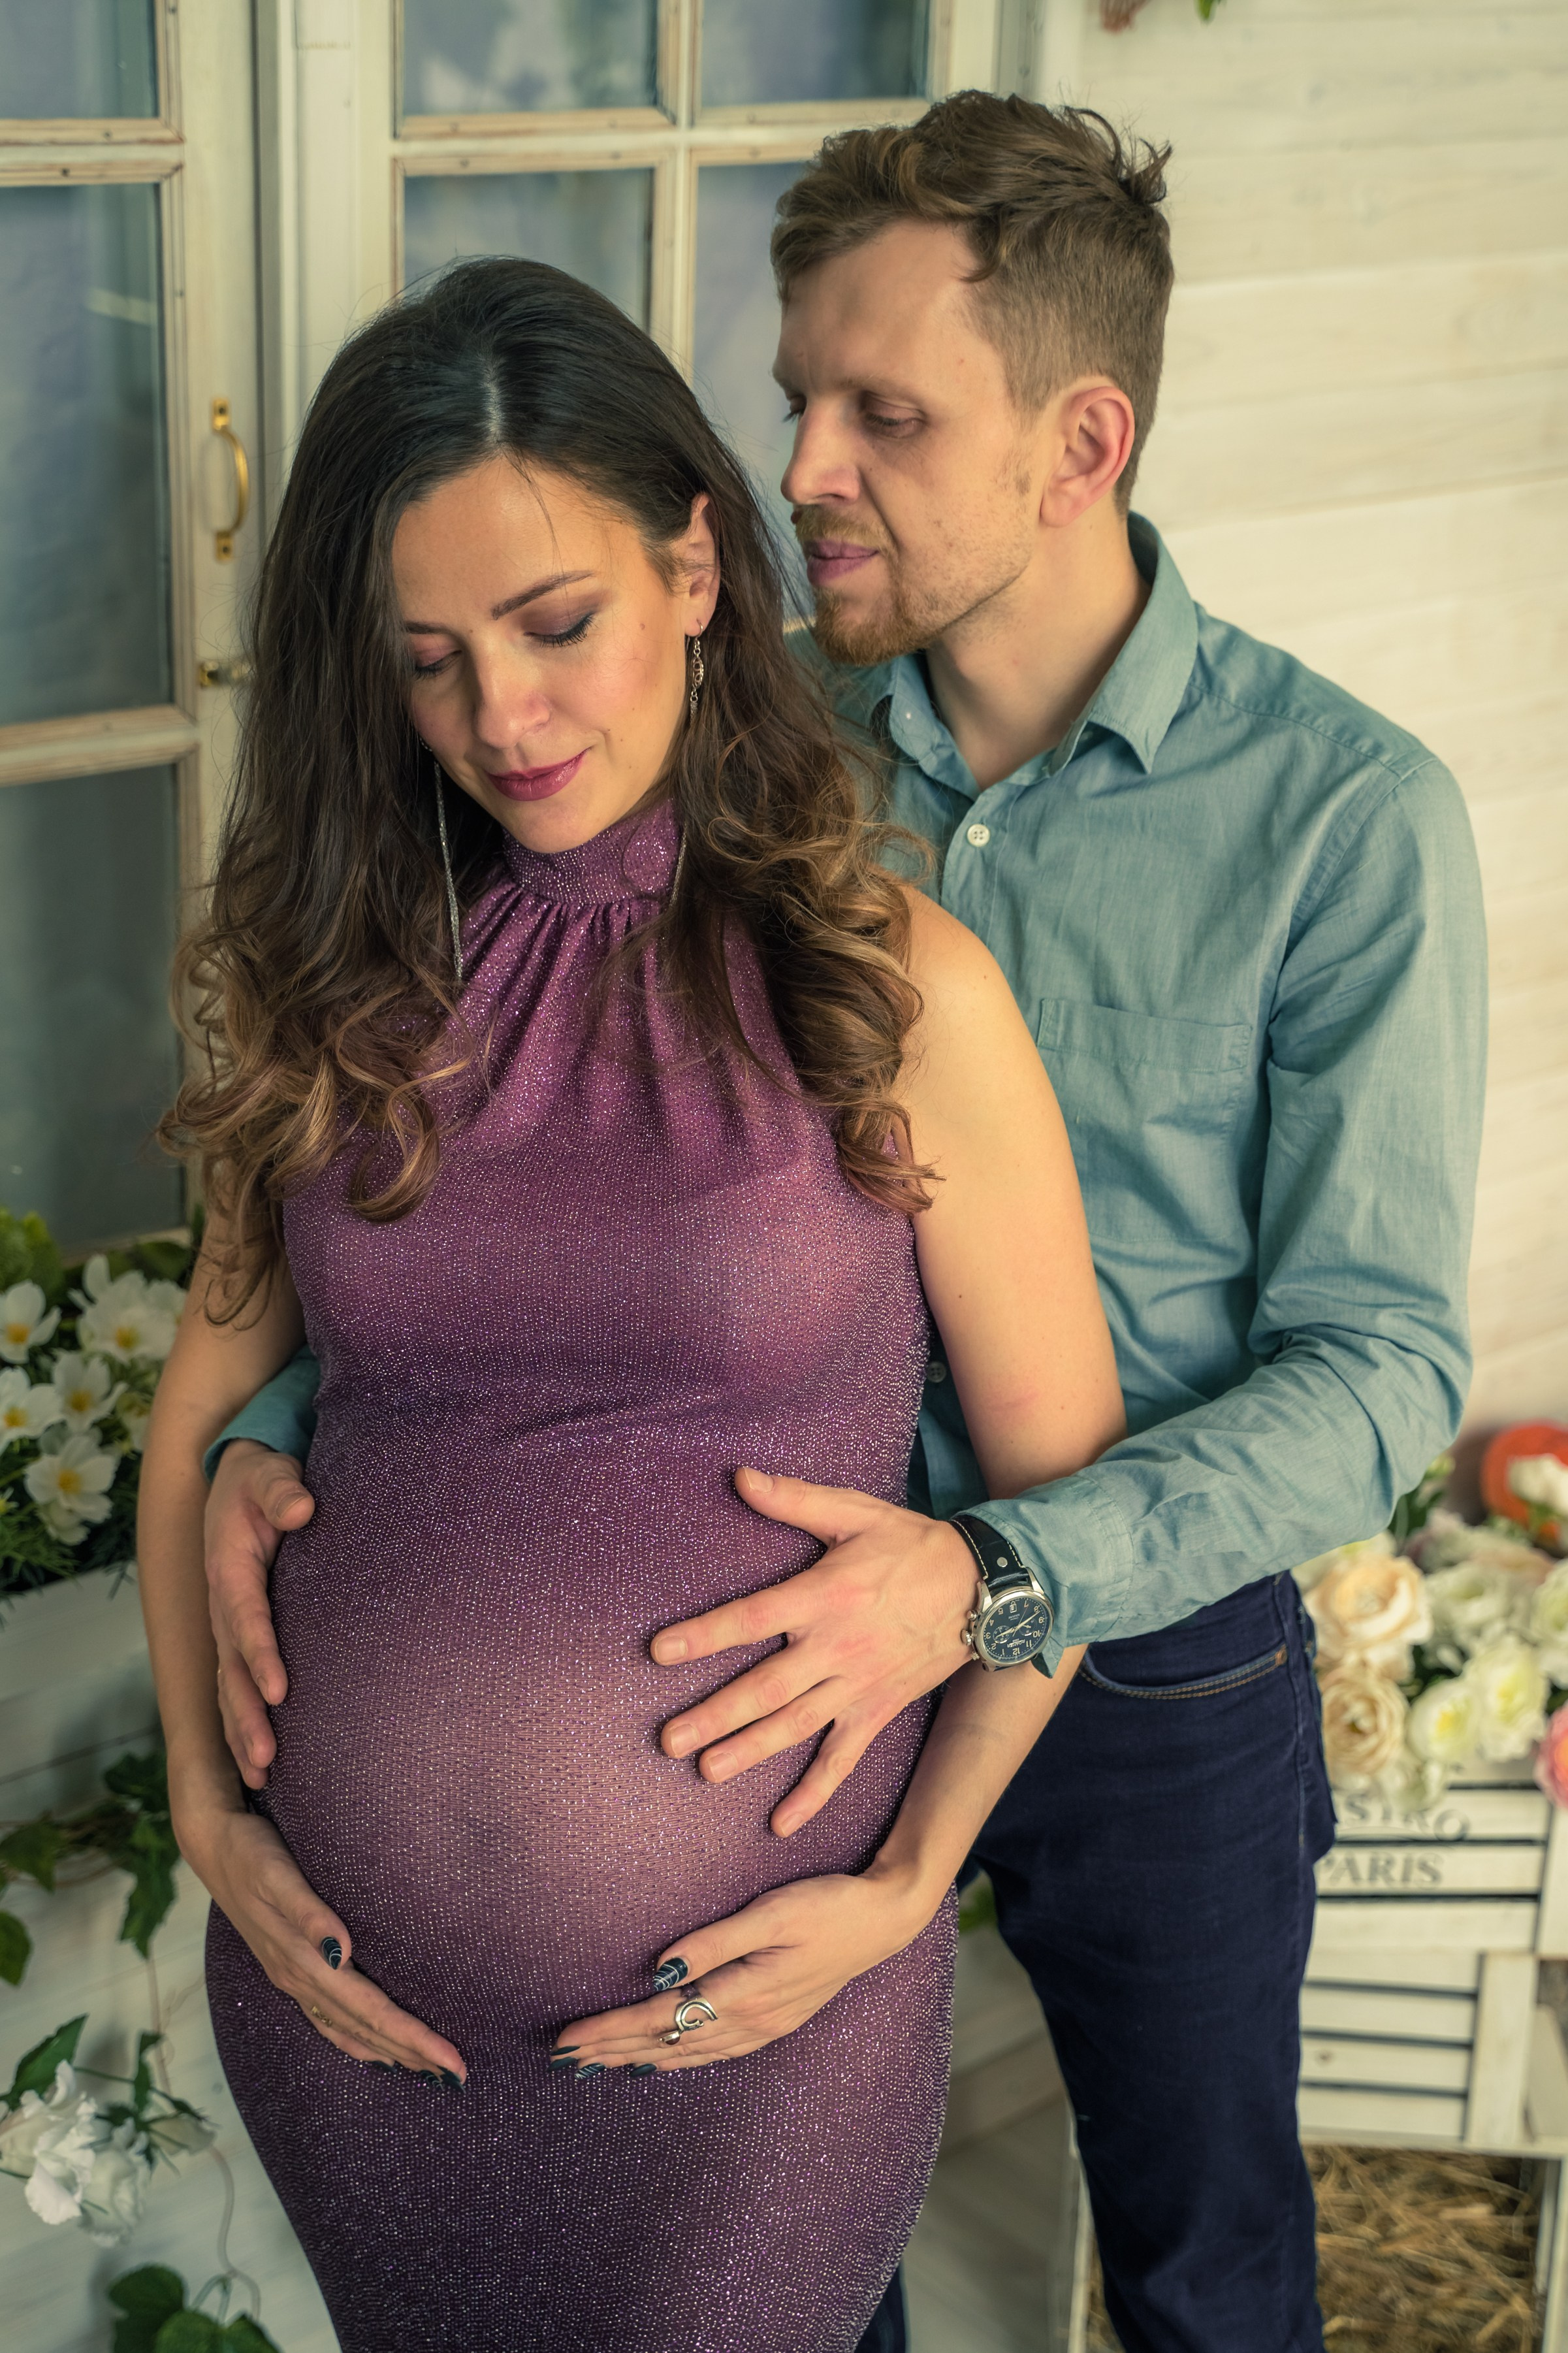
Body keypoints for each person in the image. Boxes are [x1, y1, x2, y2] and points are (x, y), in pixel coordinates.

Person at [200, 97, 1488, 2353]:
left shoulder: (1339, 819)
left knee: (1203, 2259)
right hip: (744, 1659)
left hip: (1135, 1632)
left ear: (1077, 442)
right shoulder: (758, 766)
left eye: (881, 414)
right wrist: (274, 1429)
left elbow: (1383, 1363)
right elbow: (561, 1200)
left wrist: (987, 1575)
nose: (802, 466)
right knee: (816, 2261)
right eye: (794, 393)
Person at [138, 255, 1125, 2353]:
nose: (503, 714)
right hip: (357, 2027)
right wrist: (212, 1820)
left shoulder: (892, 986)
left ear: (695, 562)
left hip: (754, 2034)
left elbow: (1059, 1495)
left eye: (555, 622)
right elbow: (189, 1422)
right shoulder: (347, 992)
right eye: (430, 660)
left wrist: (909, 1877)